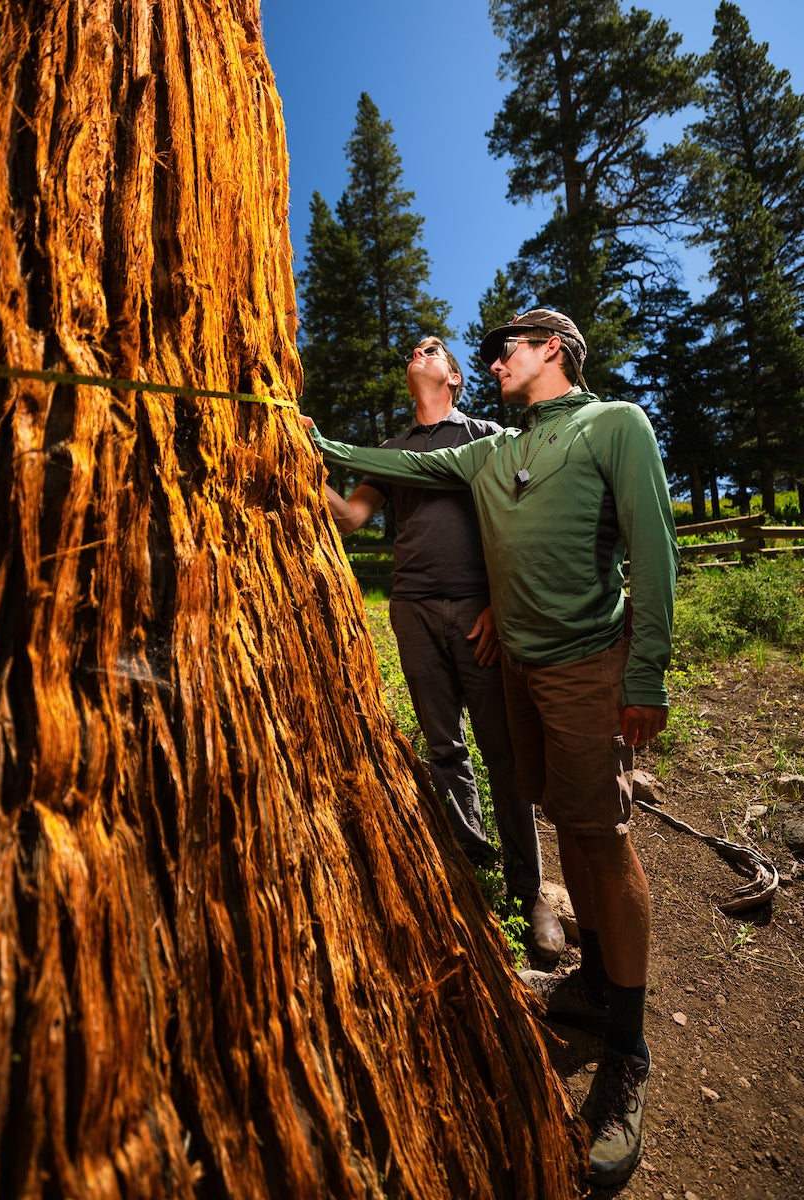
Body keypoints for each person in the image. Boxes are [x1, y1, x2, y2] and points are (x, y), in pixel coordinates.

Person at [303, 309, 679, 1188]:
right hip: (516, 666)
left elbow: (653, 550)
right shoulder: (491, 450)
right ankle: (592, 974)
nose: (493, 357)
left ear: (551, 349)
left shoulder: (612, 424)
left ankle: (627, 1049)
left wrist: (646, 673)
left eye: (507, 346)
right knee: (567, 817)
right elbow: (394, 467)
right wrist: (312, 438)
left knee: (598, 834)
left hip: (588, 666)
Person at [321, 336, 564, 962]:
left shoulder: (485, 434)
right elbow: (351, 516)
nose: (418, 352)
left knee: (502, 748)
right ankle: (474, 865)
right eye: (414, 349)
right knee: (442, 746)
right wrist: (301, 459)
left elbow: (522, 521)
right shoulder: (391, 452)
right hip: (413, 610)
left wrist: (498, 604)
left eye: (433, 349)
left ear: (454, 377)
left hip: (479, 612)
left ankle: (529, 888)